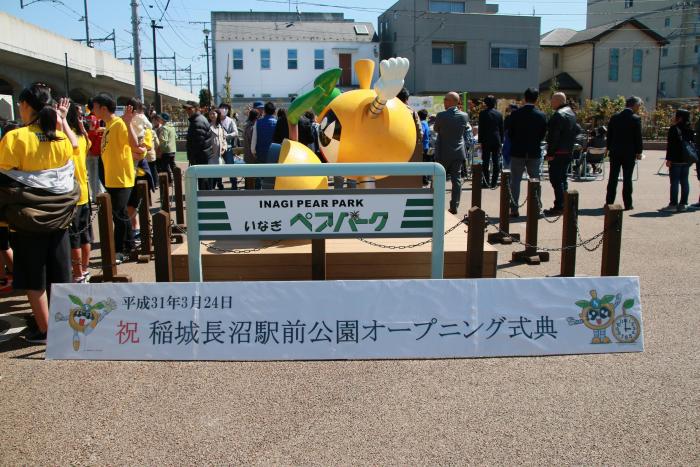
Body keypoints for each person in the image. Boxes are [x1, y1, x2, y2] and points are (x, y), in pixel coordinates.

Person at [0, 84, 80, 344]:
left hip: (28, 220)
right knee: (60, 274)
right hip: (60, 219)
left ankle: (46, 332)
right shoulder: (61, 140)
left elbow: (5, 179)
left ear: (25, 105)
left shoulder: (15, 138)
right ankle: (65, 327)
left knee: (34, 277)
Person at [90, 93, 139, 262]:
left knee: (119, 216)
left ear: (103, 108)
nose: (92, 110)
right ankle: (129, 246)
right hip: (112, 178)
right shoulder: (109, 125)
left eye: (94, 107)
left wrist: (128, 122)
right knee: (120, 214)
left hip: (121, 178)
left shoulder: (118, 124)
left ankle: (121, 249)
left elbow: (134, 145)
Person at [506, 87, 547, 217]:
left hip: (518, 151)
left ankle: (514, 208)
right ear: (537, 99)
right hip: (534, 151)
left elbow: (510, 133)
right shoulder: (541, 115)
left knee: (515, 180)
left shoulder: (516, 114)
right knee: (535, 180)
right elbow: (542, 134)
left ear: (525, 98)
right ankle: (536, 207)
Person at [65, 102, 93, 283]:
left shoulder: (66, 139)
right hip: (84, 191)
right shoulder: (83, 137)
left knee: (74, 237)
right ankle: (85, 269)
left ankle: (77, 274)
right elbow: (89, 143)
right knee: (85, 235)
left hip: (72, 194)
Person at [434, 91, 469, 214]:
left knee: (439, 179)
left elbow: (436, 129)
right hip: (458, 152)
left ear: (450, 101)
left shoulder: (441, 116)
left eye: (445, 100)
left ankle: (437, 205)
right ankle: (454, 206)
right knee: (457, 180)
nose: (444, 102)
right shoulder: (464, 116)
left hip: (443, 152)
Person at [606, 96, 643, 210]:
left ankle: (609, 201)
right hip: (629, 152)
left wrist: (608, 148)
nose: (639, 108)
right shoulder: (635, 118)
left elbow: (609, 135)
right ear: (635, 105)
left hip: (615, 151)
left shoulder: (615, 117)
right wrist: (639, 151)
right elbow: (638, 137)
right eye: (639, 105)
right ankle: (628, 203)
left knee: (613, 177)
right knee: (627, 178)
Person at [544, 92, 579, 215]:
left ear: (558, 101)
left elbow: (554, 137)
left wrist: (550, 153)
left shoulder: (558, 115)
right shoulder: (571, 113)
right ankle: (565, 203)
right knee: (563, 178)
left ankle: (559, 205)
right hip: (568, 151)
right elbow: (578, 129)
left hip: (558, 152)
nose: (551, 102)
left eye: (552, 100)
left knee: (556, 179)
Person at [125, 98, 153, 239]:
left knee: (142, 203)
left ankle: (145, 230)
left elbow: (141, 151)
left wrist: (131, 150)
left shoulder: (145, 127)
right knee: (130, 203)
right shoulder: (123, 123)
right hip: (126, 171)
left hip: (140, 172)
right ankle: (135, 228)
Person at [663, 109, 694, 212]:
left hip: (676, 159)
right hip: (687, 158)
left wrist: (668, 159)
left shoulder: (674, 128)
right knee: (684, 181)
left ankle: (673, 204)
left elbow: (670, 146)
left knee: (675, 182)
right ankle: (683, 204)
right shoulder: (690, 129)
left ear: (679, 117)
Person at [183, 101, 215, 190]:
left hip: (200, 158)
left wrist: (192, 157)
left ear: (197, 109)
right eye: (186, 109)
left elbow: (198, 144)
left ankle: (205, 202)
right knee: (204, 183)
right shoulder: (198, 120)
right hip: (203, 157)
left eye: (190, 108)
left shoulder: (197, 122)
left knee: (204, 184)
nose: (187, 111)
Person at [478, 95, 504, 188]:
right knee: (496, 161)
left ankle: (486, 182)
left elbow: (481, 129)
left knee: (485, 162)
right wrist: (501, 140)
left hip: (486, 140)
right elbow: (501, 129)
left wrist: (480, 141)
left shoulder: (482, 114)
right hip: (496, 140)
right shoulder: (499, 114)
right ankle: (494, 182)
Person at [85, 110, 105, 203]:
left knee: (92, 176)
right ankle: (99, 196)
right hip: (96, 152)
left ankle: (95, 196)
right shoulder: (95, 119)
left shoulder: (86, 119)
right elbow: (94, 134)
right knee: (97, 176)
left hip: (89, 152)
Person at [218, 103, 239, 189]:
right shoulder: (215, 119)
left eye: (226, 108)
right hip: (217, 147)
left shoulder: (230, 120)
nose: (224, 109)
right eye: (222, 107)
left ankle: (234, 184)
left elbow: (236, 132)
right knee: (217, 167)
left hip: (228, 147)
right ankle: (219, 184)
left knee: (230, 166)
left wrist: (227, 135)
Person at [251, 101, 277, 167]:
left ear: (264, 111)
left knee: (261, 173)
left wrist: (253, 151)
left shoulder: (258, 122)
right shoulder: (277, 123)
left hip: (260, 152)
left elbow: (254, 138)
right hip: (274, 153)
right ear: (274, 112)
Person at [155, 112, 177, 183]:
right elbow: (176, 137)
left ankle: (169, 181)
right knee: (173, 165)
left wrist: (160, 149)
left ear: (162, 120)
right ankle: (177, 179)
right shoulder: (172, 127)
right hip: (173, 150)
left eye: (160, 118)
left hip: (166, 150)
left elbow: (164, 140)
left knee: (165, 166)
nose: (159, 120)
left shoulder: (164, 128)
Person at [208, 108, 227, 190]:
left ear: (218, 115)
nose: (212, 115)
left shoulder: (220, 127)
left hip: (219, 155)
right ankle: (211, 190)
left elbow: (224, 139)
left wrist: (224, 148)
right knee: (211, 175)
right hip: (211, 155)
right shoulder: (207, 126)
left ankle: (219, 187)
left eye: (213, 113)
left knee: (219, 173)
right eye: (210, 114)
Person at [243, 110, 259, 189]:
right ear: (256, 117)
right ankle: (251, 192)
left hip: (246, 154)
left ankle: (248, 190)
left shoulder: (246, 125)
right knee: (252, 177)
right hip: (252, 155)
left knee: (248, 175)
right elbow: (253, 141)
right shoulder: (252, 127)